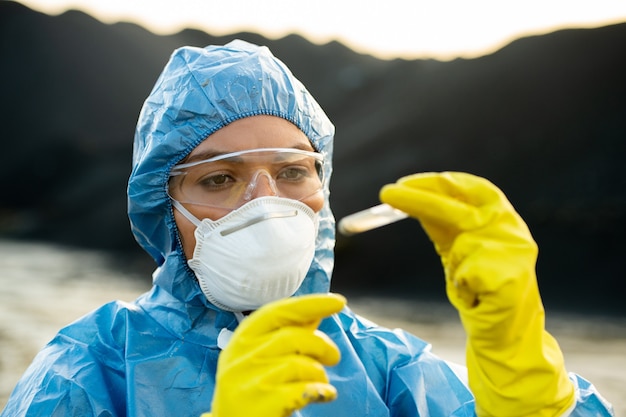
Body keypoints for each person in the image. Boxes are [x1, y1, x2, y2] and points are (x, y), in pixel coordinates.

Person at [1, 39, 614, 417]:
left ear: (323, 192)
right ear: (164, 210)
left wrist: (529, 387)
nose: (265, 205)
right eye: (219, 180)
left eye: (293, 172)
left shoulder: (384, 369)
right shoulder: (88, 373)